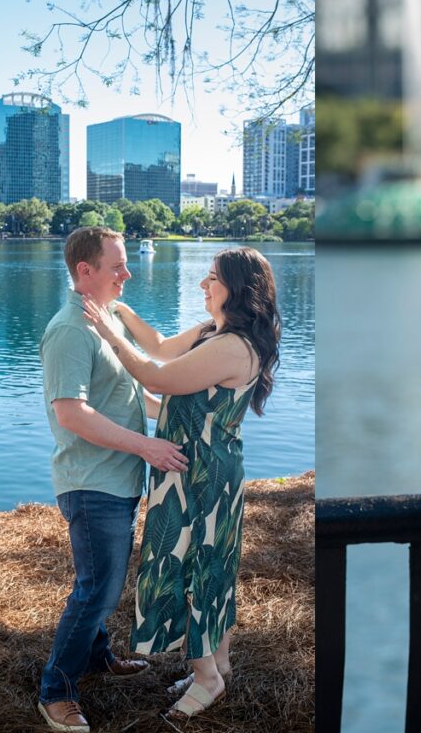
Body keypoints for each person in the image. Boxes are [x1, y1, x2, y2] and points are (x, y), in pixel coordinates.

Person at [81, 246, 281, 720]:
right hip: (208, 467)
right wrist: (122, 311)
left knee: (191, 567)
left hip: (199, 475)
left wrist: (108, 332)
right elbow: (160, 347)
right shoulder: (218, 333)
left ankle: (208, 679)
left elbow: (156, 375)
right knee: (214, 565)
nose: (202, 286)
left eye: (211, 278)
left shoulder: (232, 346)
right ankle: (220, 663)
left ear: (237, 287)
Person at [38, 226, 190, 733]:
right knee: (97, 590)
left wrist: (184, 417)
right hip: (91, 482)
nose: (127, 273)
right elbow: (72, 414)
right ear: (86, 271)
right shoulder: (71, 330)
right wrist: (147, 446)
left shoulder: (102, 323)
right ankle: (56, 691)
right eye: (117, 265)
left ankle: (98, 657)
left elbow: (125, 400)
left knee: (102, 580)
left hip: (117, 479)